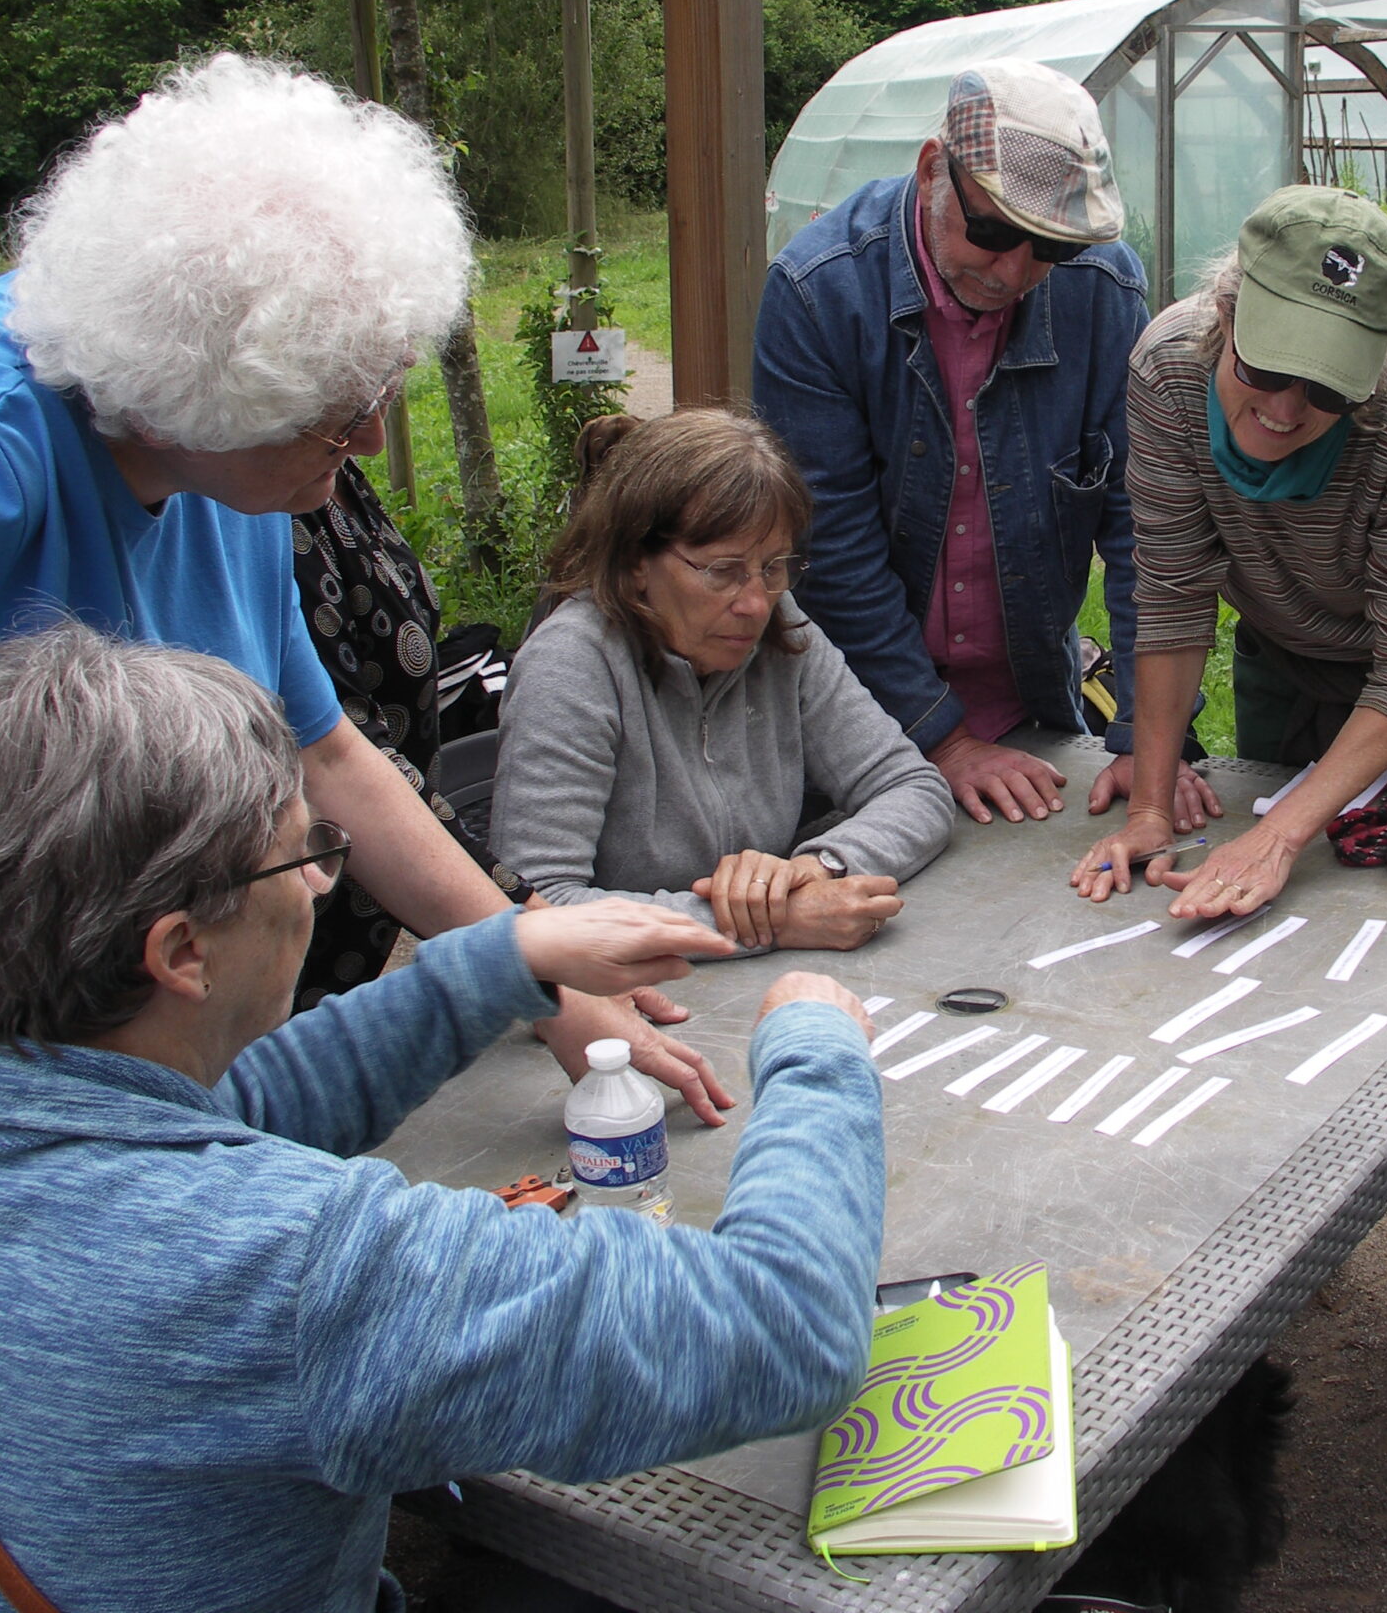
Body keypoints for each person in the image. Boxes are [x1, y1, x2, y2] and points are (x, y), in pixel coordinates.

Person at [0, 54, 726, 1599]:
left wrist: (549, 987)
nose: (376, 432)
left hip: (94, 1149)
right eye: (342, 418)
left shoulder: (221, 469)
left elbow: (334, 760)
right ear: (215, 384)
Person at [0, 623, 883, 1612]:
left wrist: (500, 960)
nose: (318, 890)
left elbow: (211, 1116)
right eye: (304, 857)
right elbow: (784, 1331)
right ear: (178, 953)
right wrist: (814, 1048)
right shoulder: (295, 1268)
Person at [1071, 185, 1387, 1356]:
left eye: (1326, 386)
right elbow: (1173, 592)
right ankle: (1270, 1233)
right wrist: (1150, 799)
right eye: (1266, 371)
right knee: (1263, 971)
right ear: (1223, 315)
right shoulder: (1162, 371)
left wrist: (1280, 828)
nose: (1286, 409)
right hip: (1290, 652)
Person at [754, 57, 1219, 834]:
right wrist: (946, 738)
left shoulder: (1103, 290)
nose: (1014, 271)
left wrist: (1147, 737)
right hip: (850, 713)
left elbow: (1151, 528)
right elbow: (827, 554)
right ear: (934, 169)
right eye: (995, 230)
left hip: (1032, 697)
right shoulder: (819, 292)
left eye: (1050, 248)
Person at [494, 409, 955, 951]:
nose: (756, 603)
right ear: (637, 559)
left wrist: (818, 867)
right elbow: (535, 905)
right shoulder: (571, 665)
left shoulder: (783, 629)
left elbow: (914, 787)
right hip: (619, 1004)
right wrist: (768, 923)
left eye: (773, 566)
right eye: (722, 571)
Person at [290, 454, 525, 1008]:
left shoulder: (330, 471)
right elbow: (338, 755)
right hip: (310, 882)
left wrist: (527, 951)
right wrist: (527, 952)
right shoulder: (260, 510)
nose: (372, 438)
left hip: (383, 876)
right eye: (344, 416)